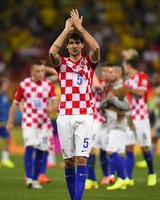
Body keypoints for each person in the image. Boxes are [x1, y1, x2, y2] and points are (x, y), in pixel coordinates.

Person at [49, 9, 100, 200]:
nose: (74, 45)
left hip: (85, 115)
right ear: (68, 46)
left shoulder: (89, 63)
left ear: (81, 45)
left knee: (81, 159)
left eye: (77, 42)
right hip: (64, 116)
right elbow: (52, 51)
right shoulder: (61, 64)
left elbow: (96, 49)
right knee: (69, 162)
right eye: (71, 43)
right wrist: (66, 30)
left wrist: (80, 28)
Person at [7, 62, 58, 189]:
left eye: (42, 71)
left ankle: (35, 179)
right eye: (38, 71)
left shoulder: (48, 84)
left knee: (42, 151)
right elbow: (15, 103)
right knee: (30, 147)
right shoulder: (24, 85)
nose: (41, 74)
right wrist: (10, 121)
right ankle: (29, 177)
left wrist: (50, 108)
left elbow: (55, 101)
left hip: (44, 124)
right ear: (32, 72)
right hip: (30, 122)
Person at [123, 58, 157, 187]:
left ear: (129, 66)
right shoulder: (126, 81)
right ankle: (129, 178)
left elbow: (141, 92)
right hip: (130, 117)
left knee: (144, 147)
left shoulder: (142, 76)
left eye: (124, 65)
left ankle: (152, 173)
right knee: (129, 147)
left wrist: (128, 89)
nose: (124, 68)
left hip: (141, 117)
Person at [100, 65, 129, 190]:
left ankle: (123, 178)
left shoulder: (124, 88)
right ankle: (119, 178)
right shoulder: (109, 87)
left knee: (110, 151)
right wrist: (107, 101)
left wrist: (114, 100)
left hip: (118, 123)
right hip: (111, 123)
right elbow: (103, 104)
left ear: (118, 73)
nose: (108, 74)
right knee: (118, 153)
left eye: (111, 72)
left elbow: (127, 106)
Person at [85, 63, 112, 190]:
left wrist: (89, 68)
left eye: (109, 71)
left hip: (107, 122)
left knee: (105, 150)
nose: (107, 74)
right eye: (105, 71)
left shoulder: (113, 85)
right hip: (95, 120)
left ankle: (107, 176)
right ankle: (91, 179)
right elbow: (95, 86)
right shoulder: (100, 83)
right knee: (91, 149)